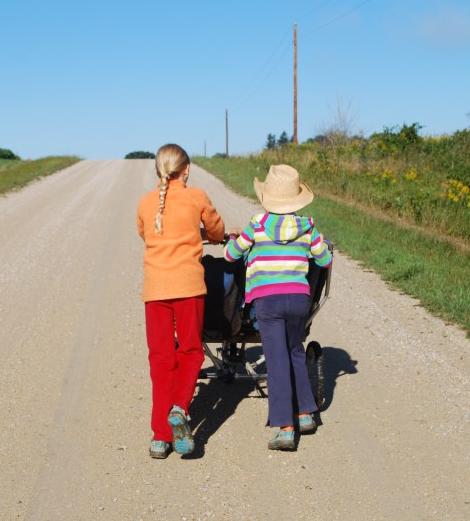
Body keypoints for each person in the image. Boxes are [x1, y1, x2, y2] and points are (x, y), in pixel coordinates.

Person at [224, 164, 332, 451]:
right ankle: (306, 413)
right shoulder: (308, 226)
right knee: (295, 351)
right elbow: (324, 261)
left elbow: (230, 255)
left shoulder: (257, 225)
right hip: (298, 300)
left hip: (268, 302)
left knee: (276, 361)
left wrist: (236, 239)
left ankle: (285, 428)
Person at [136, 143, 225, 459]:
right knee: (190, 352)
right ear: (186, 169)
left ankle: (160, 437)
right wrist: (201, 233)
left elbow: (147, 235)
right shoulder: (196, 196)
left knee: (160, 358)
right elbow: (217, 231)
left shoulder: (147, 202)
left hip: (156, 289)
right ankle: (178, 407)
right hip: (188, 287)